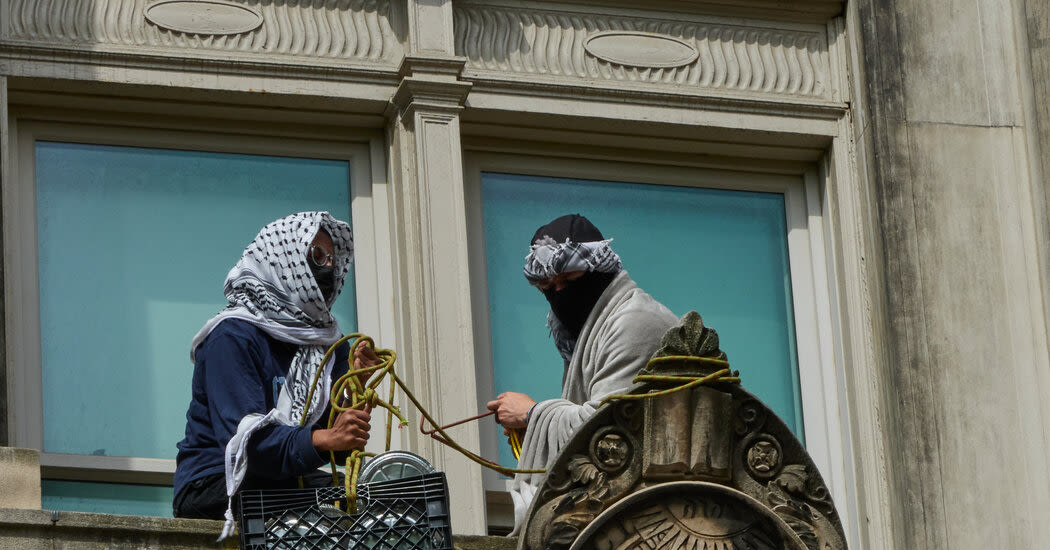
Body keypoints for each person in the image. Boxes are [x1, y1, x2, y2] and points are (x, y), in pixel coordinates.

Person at [173, 212, 377, 538]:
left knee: (377, 498)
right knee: (329, 508)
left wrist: (354, 388)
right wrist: (325, 438)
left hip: (284, 482)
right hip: (218, 483)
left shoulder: (328, 345)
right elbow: (246, 445)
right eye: (315, 257)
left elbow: (336, 450)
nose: (325, 269)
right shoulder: (233, 336)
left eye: (330, 260)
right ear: (284, 261)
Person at [486, 214, 678, 532]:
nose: (559, 293)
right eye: (548, 287)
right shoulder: (587, 331)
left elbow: (605, 431)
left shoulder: (633, 322)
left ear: (600, 269)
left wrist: (532, 415)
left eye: (570, 280)